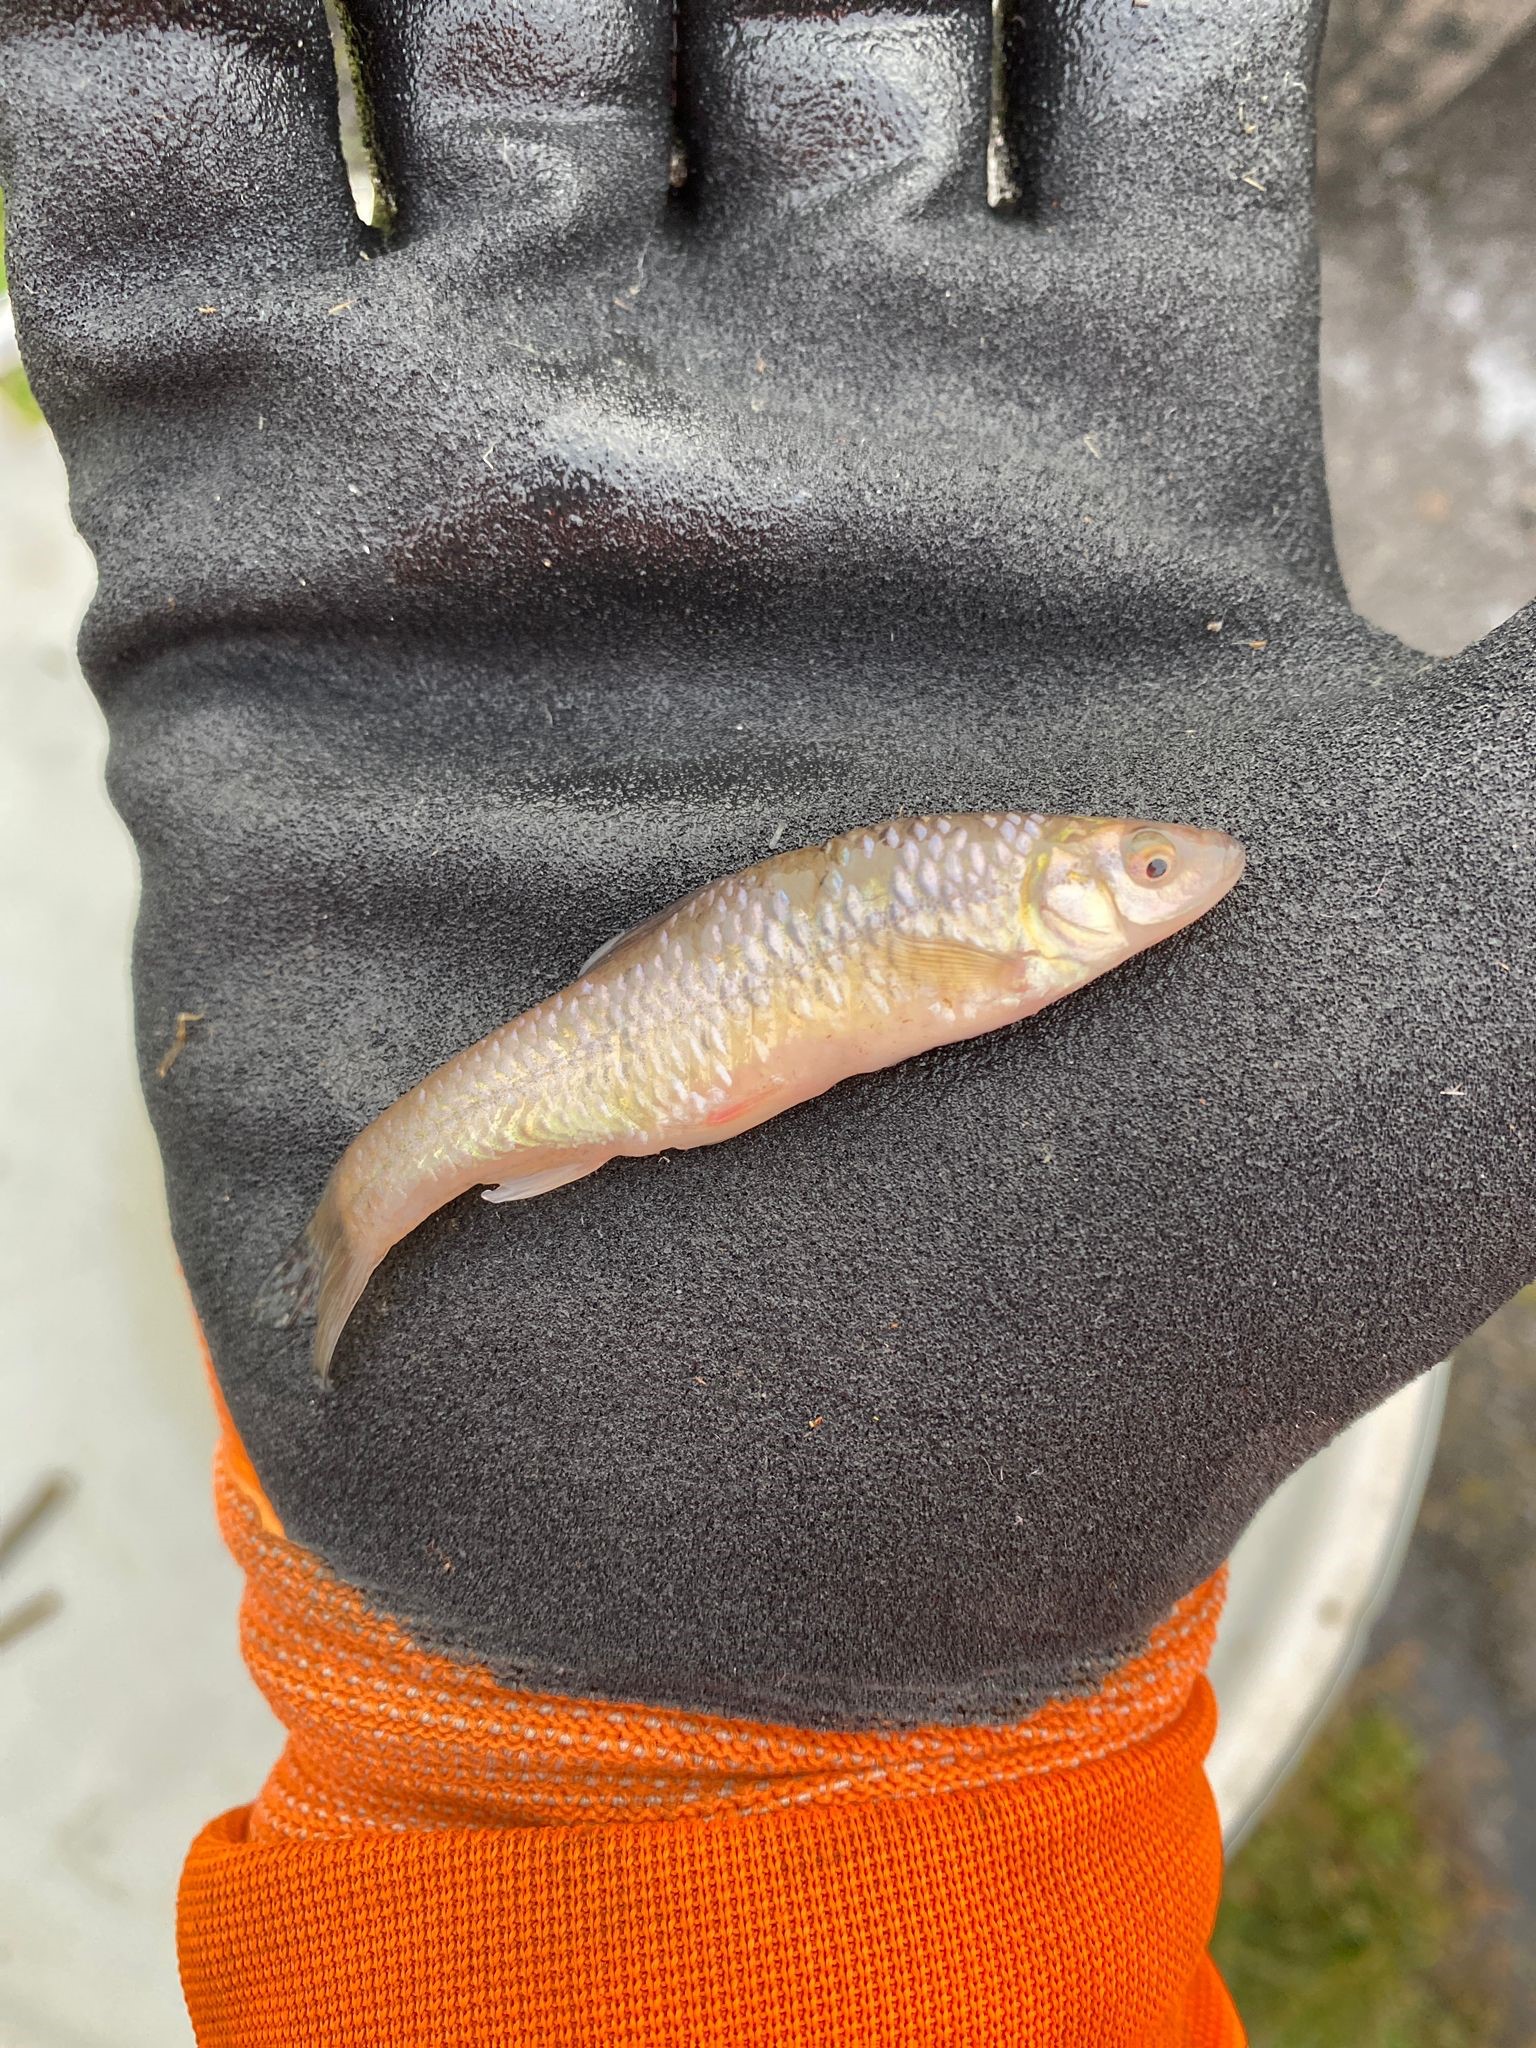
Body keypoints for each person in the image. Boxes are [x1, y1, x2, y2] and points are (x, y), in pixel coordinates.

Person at [2, 1, 1530, 2040]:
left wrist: (628, 1797)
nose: (1165, 888)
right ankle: (374, 1216)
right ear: (1066, 893)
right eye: (1142, 875)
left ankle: (377, 1235)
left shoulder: (1025, 921)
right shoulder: (1012, 924)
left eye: (1146, 875)